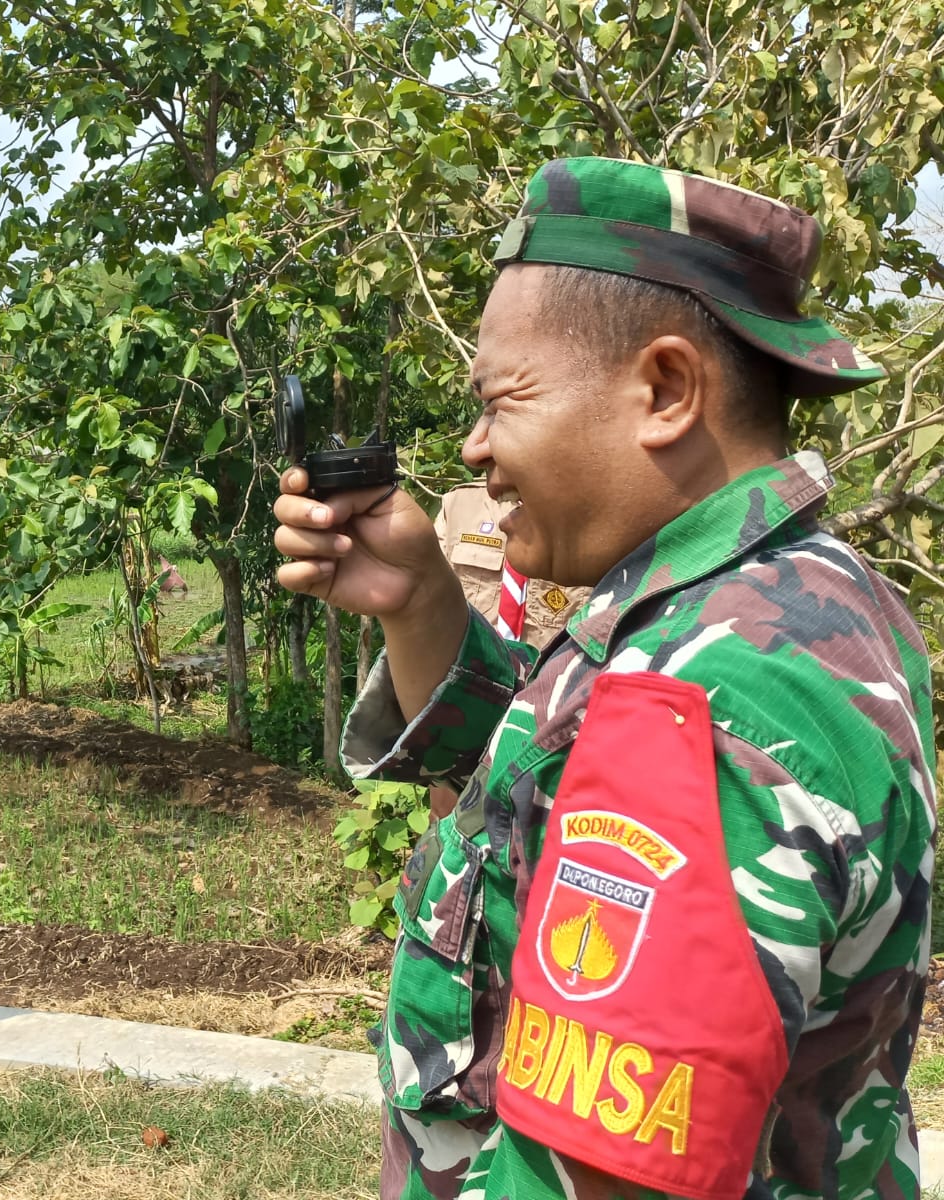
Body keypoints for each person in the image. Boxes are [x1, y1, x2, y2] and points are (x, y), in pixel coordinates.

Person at [273, 157, 935, 1198]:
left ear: (666, 391)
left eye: (502, 400)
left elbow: (607, 1175)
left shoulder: (709, 697)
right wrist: (420, 604)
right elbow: (535, 799)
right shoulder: (781, 598)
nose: (475, 445)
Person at [426, 484, 587, 820]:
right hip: (463, 720)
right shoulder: (460, 506)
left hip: (549, 729)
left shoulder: (590, 512)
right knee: (448, 836)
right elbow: (428, 609)